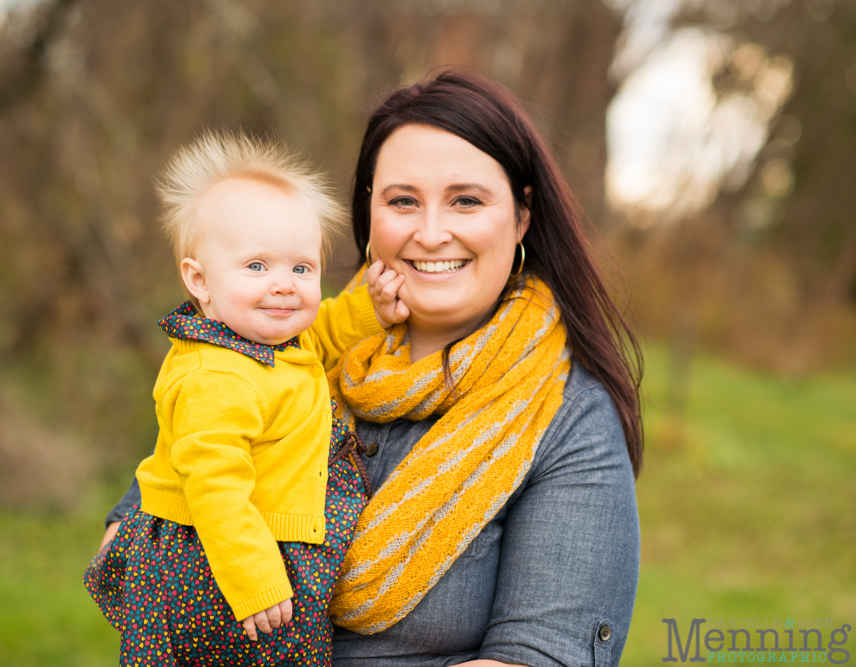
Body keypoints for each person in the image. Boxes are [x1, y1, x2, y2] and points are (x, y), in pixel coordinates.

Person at [104, 70, 643, 667]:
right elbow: (171, 481)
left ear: (521, 217)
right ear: (369, 215)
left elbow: (541, 653)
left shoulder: (567, 415)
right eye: (402, 200)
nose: (431, 232)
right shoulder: (275, 342)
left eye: (466, 200)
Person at [85, 131, 407, 667]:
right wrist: (254, 577)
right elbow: (216, 488)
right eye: (257, 267)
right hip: (214, 567)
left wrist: (370, 310)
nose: (284, 285)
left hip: (257, 547)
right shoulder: (216, 377)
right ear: (200, 281)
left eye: (301, 268)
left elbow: (322, 332)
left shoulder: (274, 339)